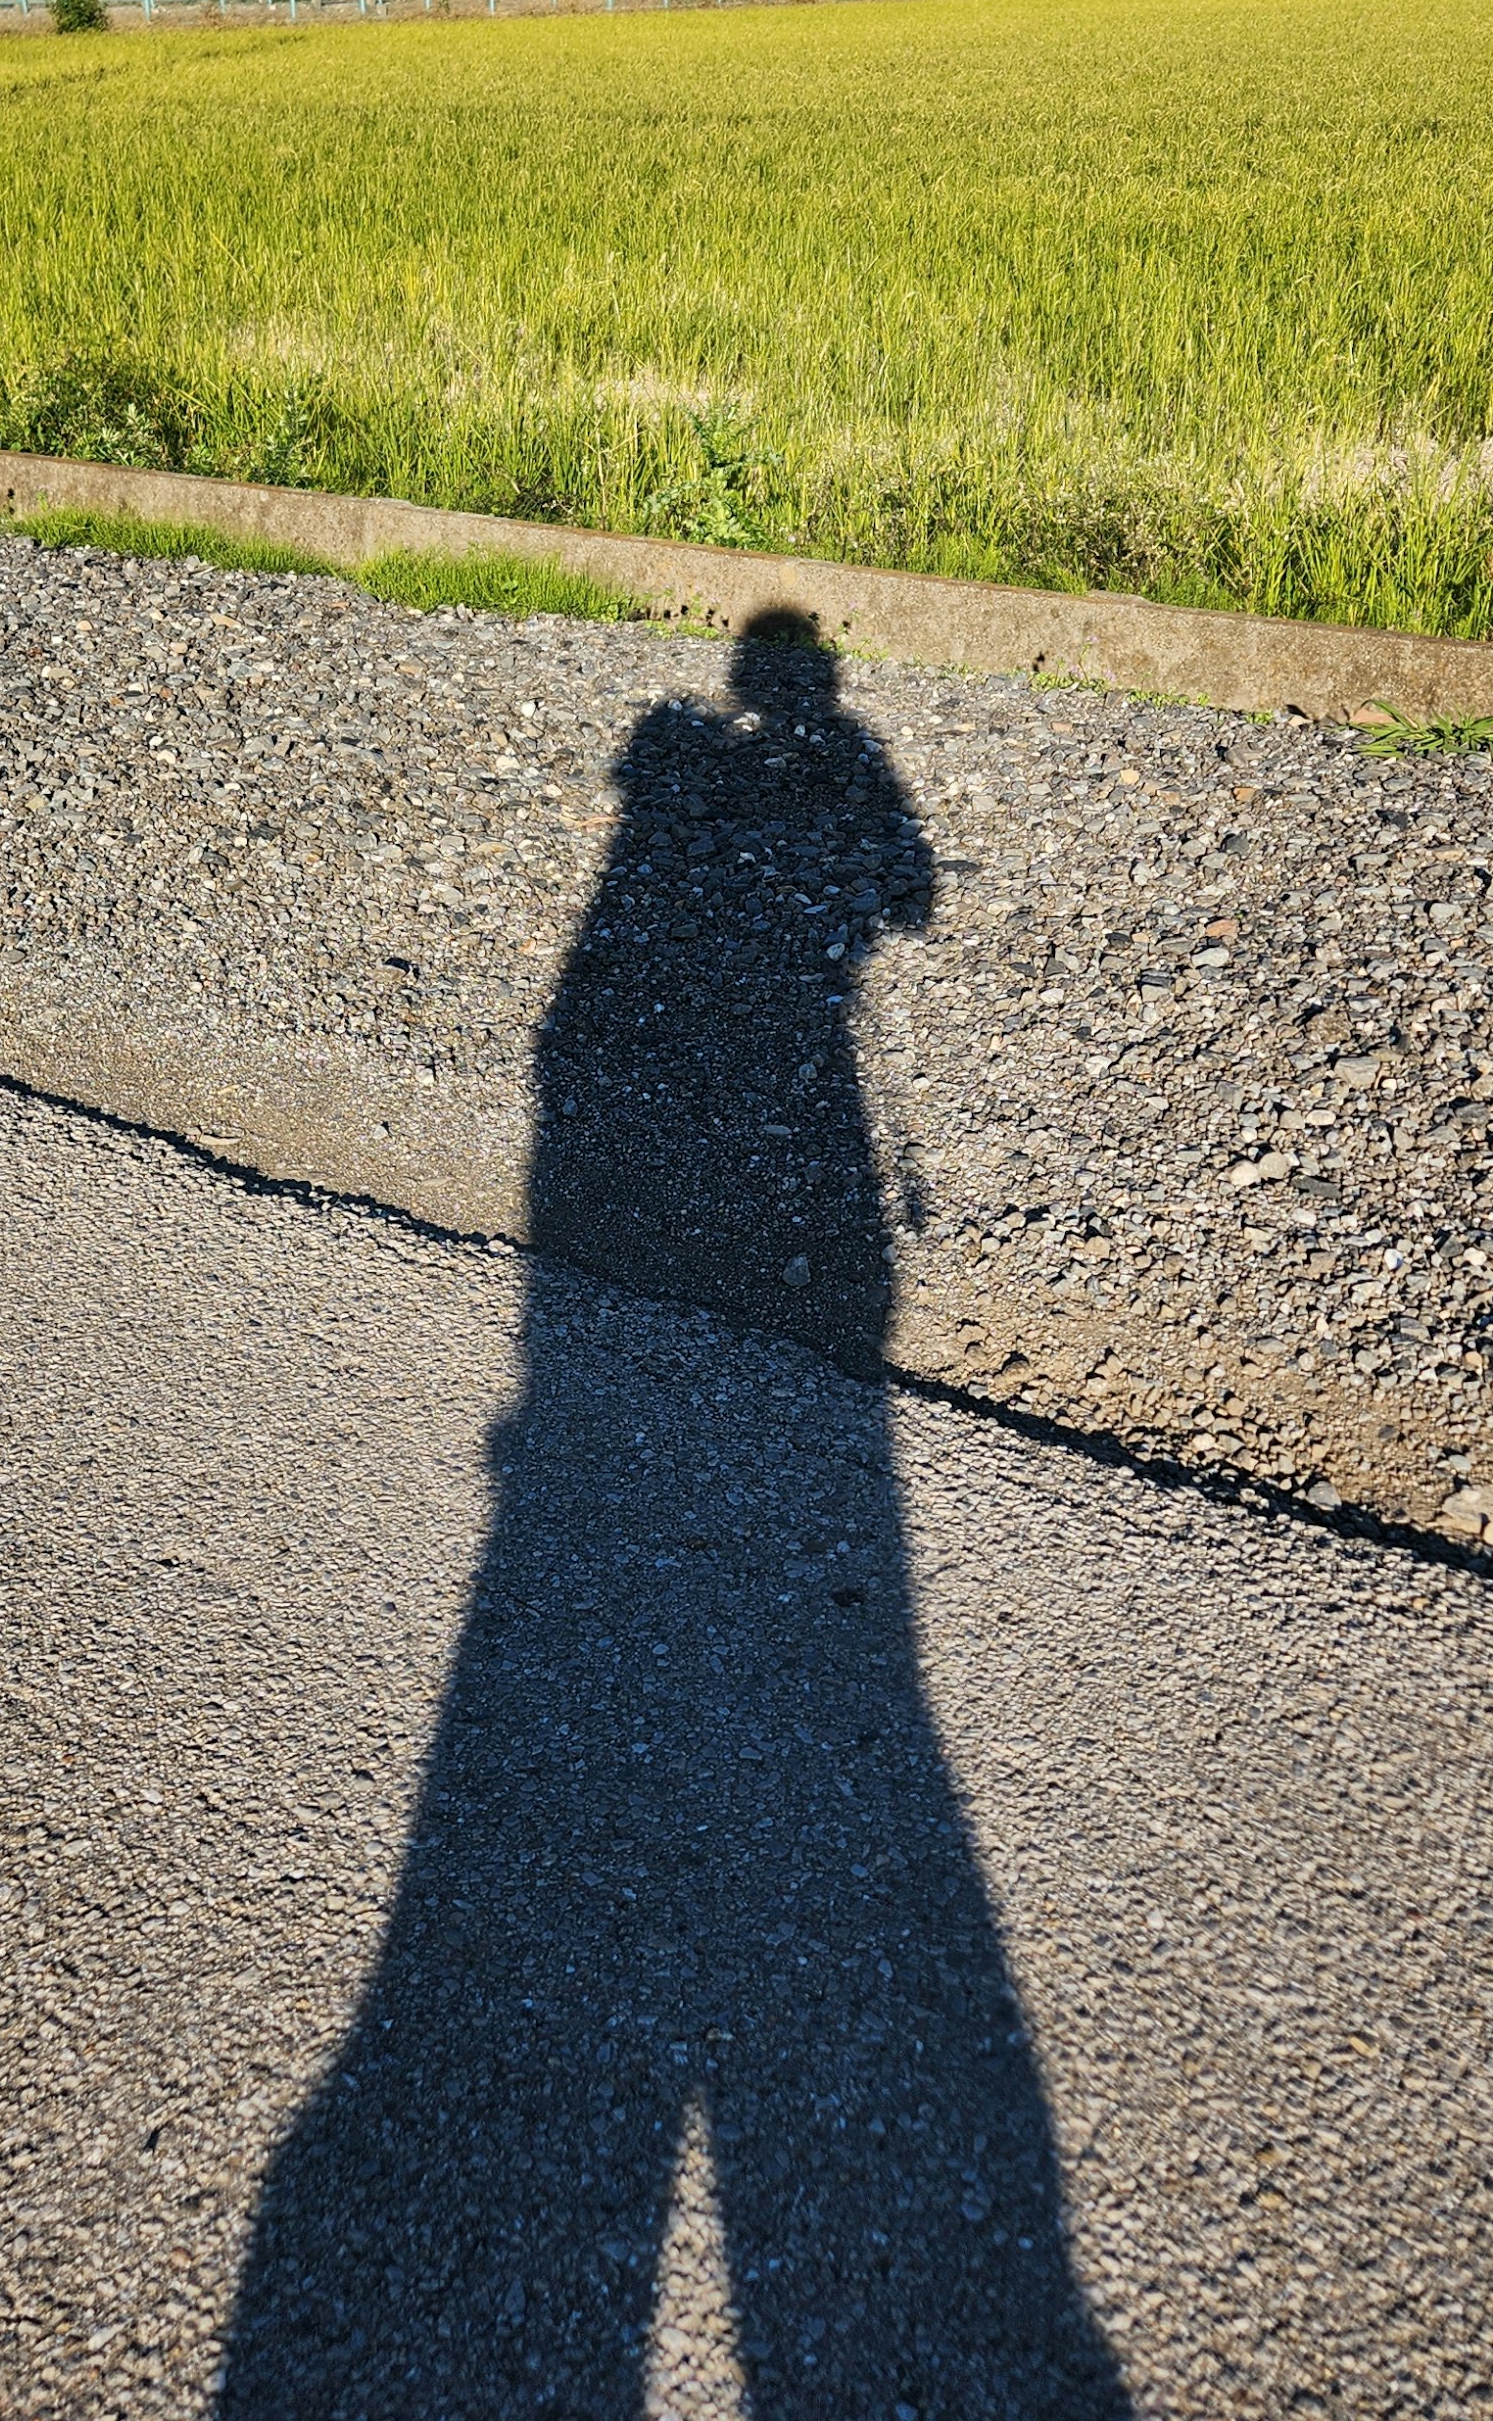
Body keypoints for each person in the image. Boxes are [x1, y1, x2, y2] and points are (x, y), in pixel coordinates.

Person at [218, 619, 1130, 2417]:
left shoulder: (673, 786)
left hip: (620, 1197)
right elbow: (911, 894)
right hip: (782, 1131)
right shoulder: (811, 771)